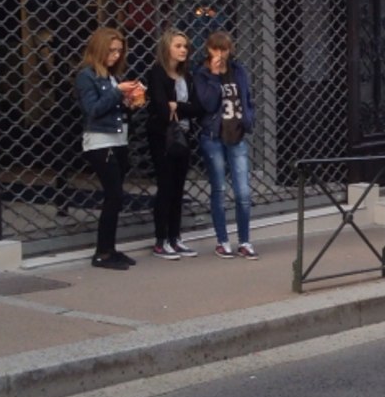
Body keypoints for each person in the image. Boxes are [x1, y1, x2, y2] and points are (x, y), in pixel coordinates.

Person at [75, 27, 144, 270]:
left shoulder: (114, 77)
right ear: (99, 49)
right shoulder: (87, 76)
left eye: (119, 51)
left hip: (119, 139)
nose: (115, 55)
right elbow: (92, 110)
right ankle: (102, 252)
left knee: (117, 197)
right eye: (111, 50)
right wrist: (117, 93)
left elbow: (114, 108)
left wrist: (130, 101)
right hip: (100, 142)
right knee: (113, 194)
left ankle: (110, 248)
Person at [193, 31, 257, 259]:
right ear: (208, 50)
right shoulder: (201, 73)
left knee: (243, 192)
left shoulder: (238, 70)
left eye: (224, 49)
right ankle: (222, 240)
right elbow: (208, 104)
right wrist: (213, 74)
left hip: (236, 134)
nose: (220, 54)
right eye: (215, 49)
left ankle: (245, 241)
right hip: (213, 136)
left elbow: (247, 98)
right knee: (219, 189)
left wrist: (249, 119)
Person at [144, 28, 202, 260]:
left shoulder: (187, 76)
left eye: (185, 47)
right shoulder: (157, 73)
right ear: (167, 48)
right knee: (166, 186)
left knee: (178, 188)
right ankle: (161, 240)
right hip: (162, 137)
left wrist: (177, 105)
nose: (183, 50)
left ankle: (175, 238)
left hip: (183, 136)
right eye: (178, 46)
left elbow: (198, 107)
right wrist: (175, 107)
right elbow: (159, 107)